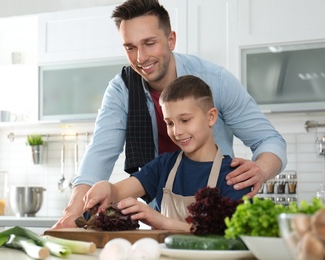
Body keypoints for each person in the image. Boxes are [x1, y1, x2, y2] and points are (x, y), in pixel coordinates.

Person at [51, 0, 286, 229]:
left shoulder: (216, 82)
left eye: (150, 43)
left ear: (171, 40)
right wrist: (75, 210)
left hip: (207, 212)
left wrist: (261, 170)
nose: (141, 58)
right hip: (156, 213)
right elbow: (98, 155)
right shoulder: (122, 91)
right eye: (130, 47)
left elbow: (269, 140)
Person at [83, 75, 252, 231]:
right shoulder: (164, 165)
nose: (177, 131)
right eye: (169, 123)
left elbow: (230, 234)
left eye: (185, 120)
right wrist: (105, 187)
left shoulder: (234, 175)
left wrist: (161, 221)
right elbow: (116, 192)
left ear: (211, 117)